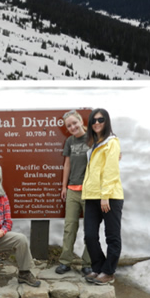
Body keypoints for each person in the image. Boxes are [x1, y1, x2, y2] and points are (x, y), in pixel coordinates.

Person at [82, 109, 123, 285]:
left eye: (101, 119)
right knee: (90, 235)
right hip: (92, 196)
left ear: (107, 122)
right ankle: (98, 267)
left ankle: (108, 271)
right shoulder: (95, 144)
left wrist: (105, 195)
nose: (97, 123)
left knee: (111, 235)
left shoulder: (112, 142)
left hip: (110, 196)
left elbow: (111, 171)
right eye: (94, 120)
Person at [55, 110, 92, 275]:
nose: (72, 127)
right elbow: (67, 165)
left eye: (74, 123)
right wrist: (64, 187)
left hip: (90, 192)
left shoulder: (93, 138)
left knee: (90, 229)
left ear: (80, 121)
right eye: (69, 126)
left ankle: (87, 263)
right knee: (70, 227)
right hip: (72, 191)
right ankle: (65, 262)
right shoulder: (70, 141)